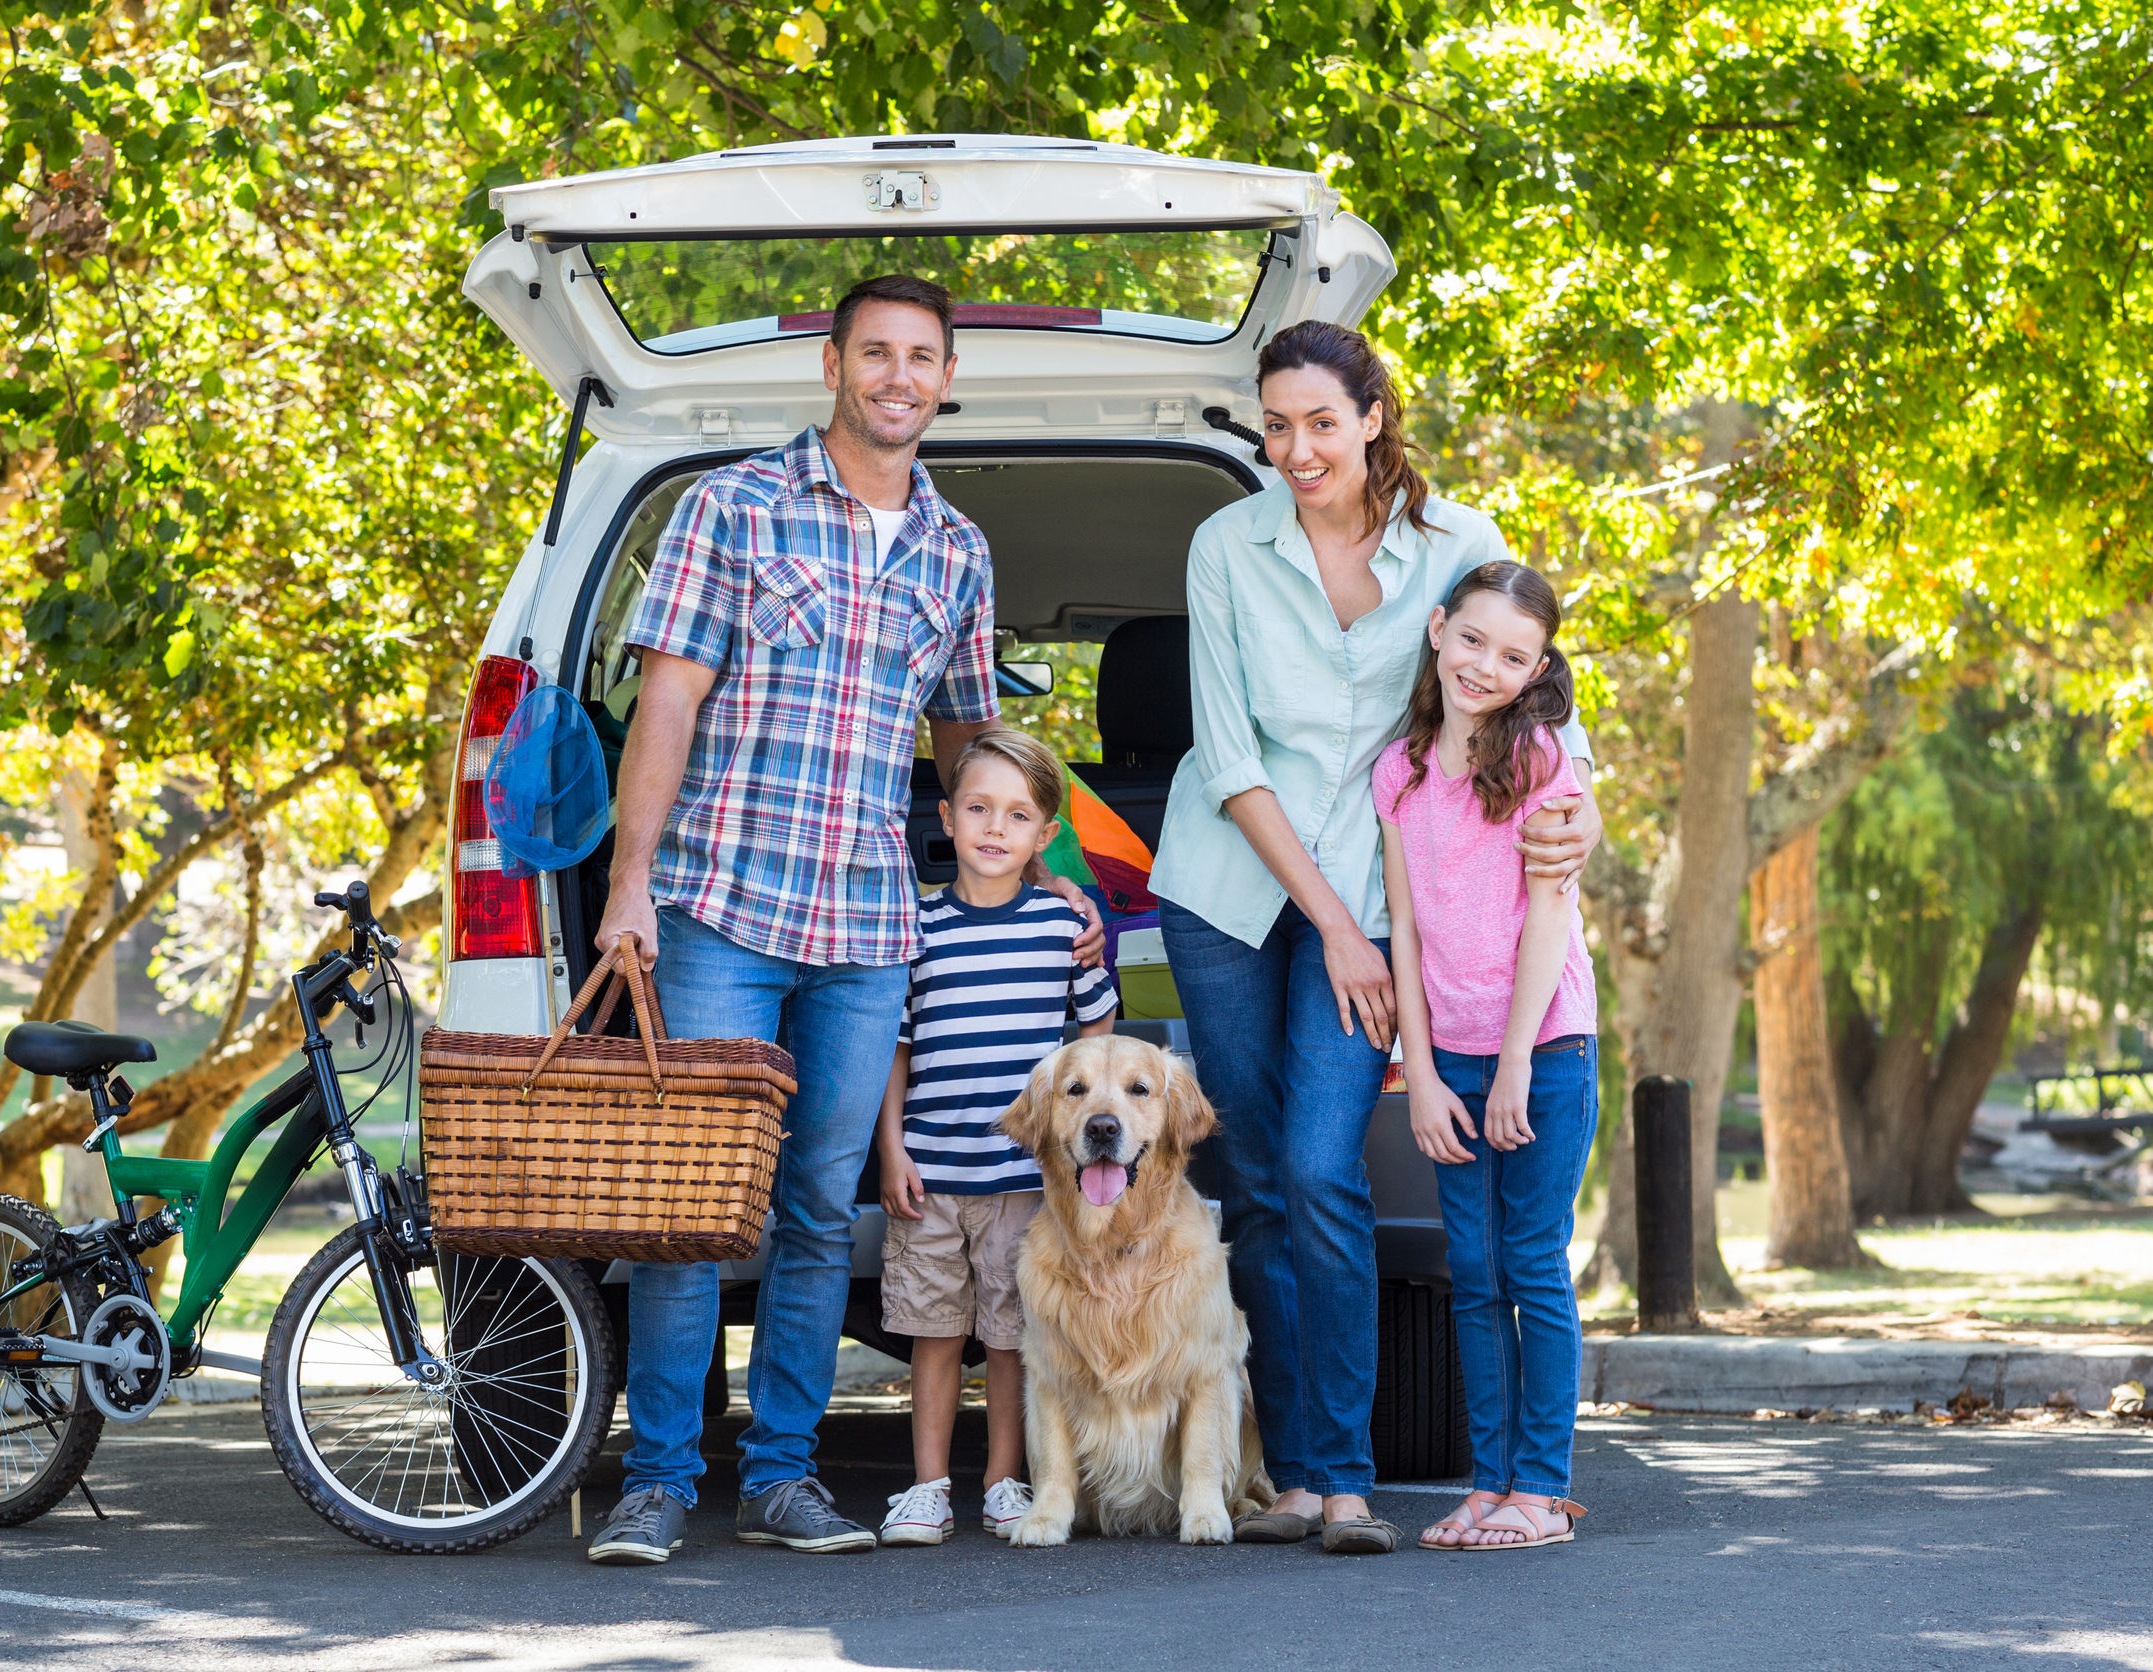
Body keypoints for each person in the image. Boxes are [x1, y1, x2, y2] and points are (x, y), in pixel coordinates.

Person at [586, 275, 1102, 1566]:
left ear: (943, 379)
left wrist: (1046, 871)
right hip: (722, 907)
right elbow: (665, 706)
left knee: (820, 1210)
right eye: (875, 352)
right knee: (691, 1206)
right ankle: (655, 1478)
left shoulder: (957, 550)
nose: (898, 376)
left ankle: (781, 1478)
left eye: (921, 357)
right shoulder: (733, 507)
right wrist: (628, 883)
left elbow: (973, 745)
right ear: (833, 366)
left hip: (871, 928)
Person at [1150, 319, 1603, 1553]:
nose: (1297, 449)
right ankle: (1300, 1471)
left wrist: (1574, 826)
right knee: (1257, 1183)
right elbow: (1230, 752)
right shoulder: (1224, 546)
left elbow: (1537, 688)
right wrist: (1335, 924)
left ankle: (1349, 1478)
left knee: (1317, 1162)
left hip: (1380, 901)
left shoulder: (1456, 544)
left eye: (1321, 423)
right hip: (1231, 885)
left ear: (1372, 419)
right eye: (1276, 424)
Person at [1376, 561, 1598, 1551]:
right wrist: (1420, 1074)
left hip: (1542, 1051)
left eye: (1513, 655)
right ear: (1436, 630)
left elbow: (1549, 918)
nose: (1485, 665)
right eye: (1472, 640)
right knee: (1473, 1272)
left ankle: (1541, 1491)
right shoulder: (1402, 770)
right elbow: (1407, 933)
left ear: (1537, 667)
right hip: (1448, 1059)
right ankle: (1489, 1480)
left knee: (1532, 1267)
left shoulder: (1543, 761)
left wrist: (1512, 1064)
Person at [871, 730, 1119, 1547]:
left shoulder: (1062, 927)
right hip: (932, 1174)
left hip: (1024, 1180)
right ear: (945, 816)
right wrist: (892, 1149)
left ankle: (1005, 1481)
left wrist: (1080, 1152)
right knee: (935, 1335)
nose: (993, 828)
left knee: (1014, 1338)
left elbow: (1096, 1045)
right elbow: (896, 1049)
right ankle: (926, 1488)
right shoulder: (918, 926)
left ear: (1044, 836)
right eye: (977, 808)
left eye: (1017, 816)